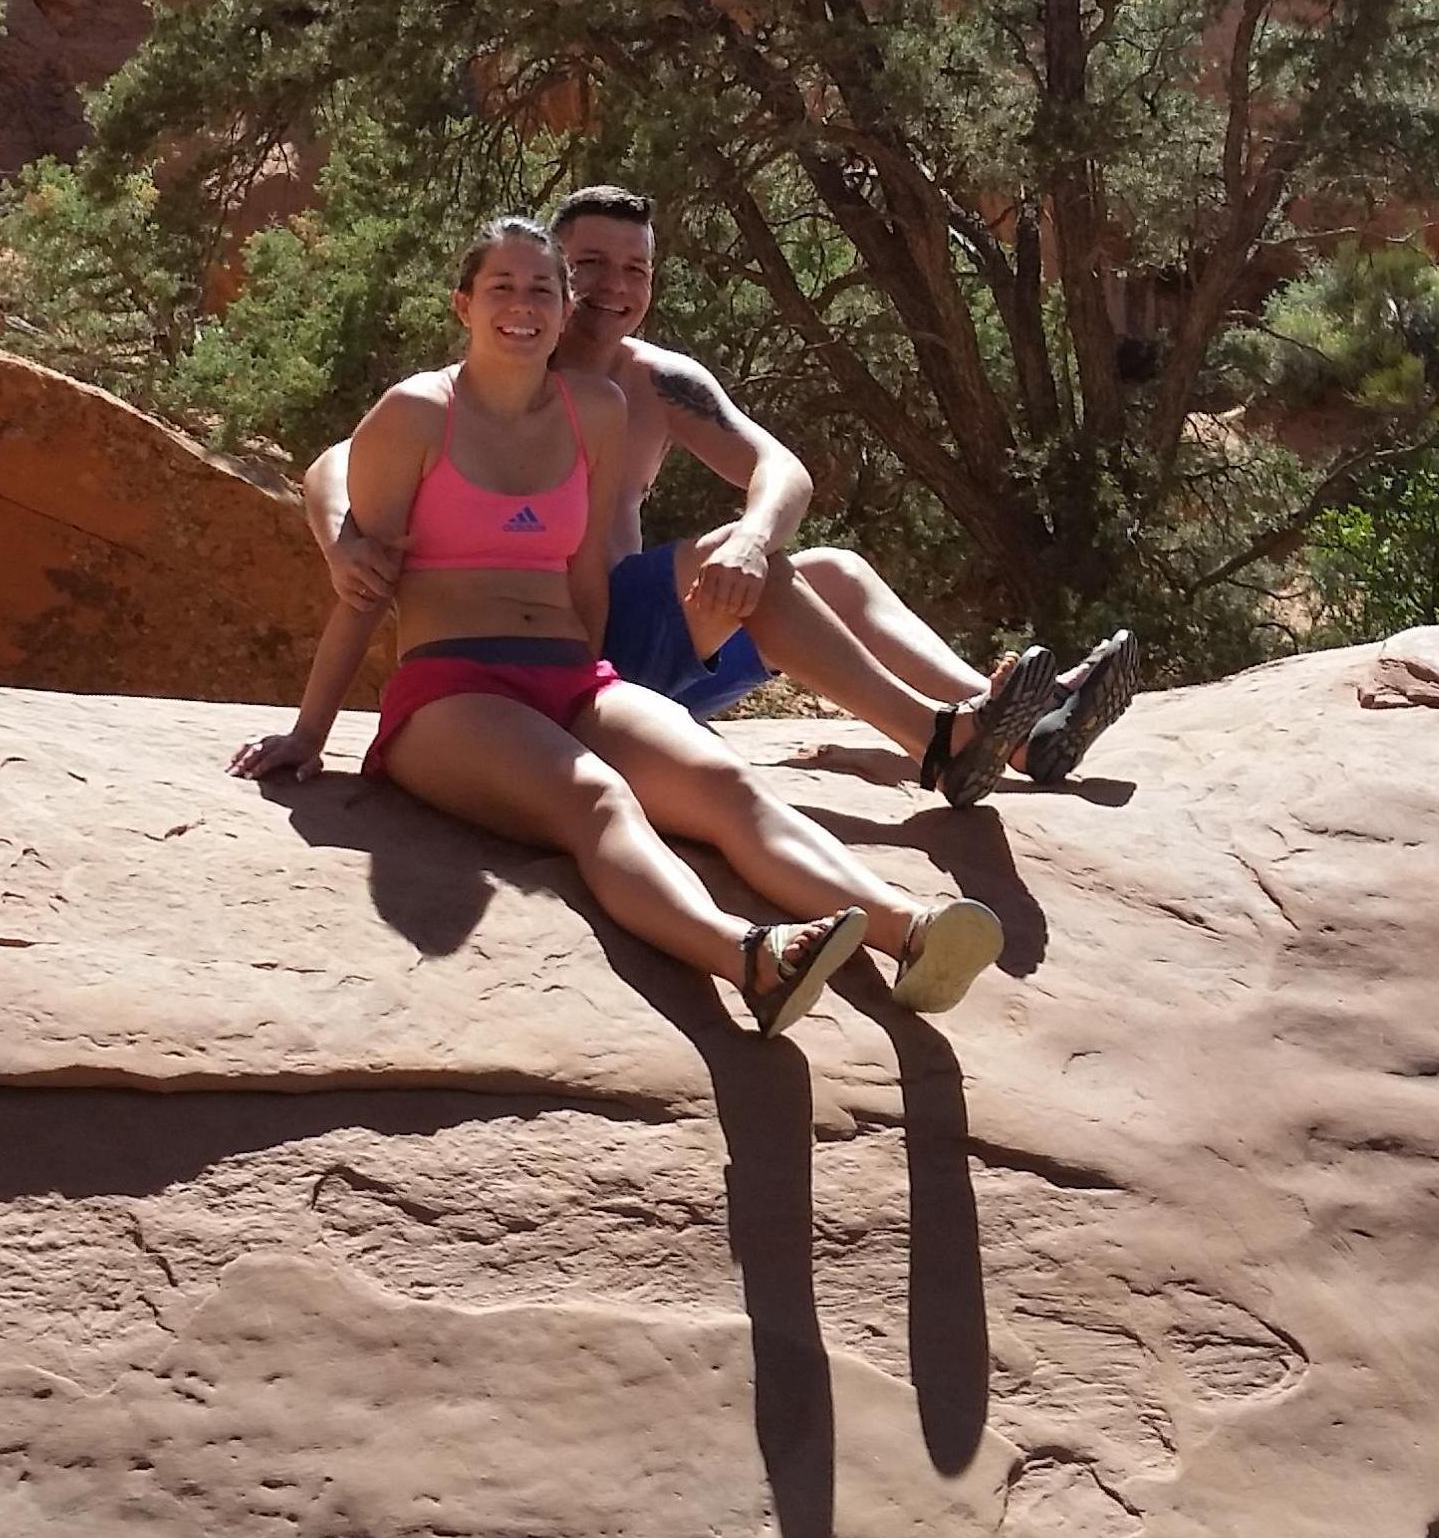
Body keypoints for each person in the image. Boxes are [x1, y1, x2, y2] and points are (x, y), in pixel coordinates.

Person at [231, 216, 1009, 1033]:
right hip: (452, 689)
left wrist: (603, 692)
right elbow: (359, 570)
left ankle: (912, 930)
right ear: (462, 303)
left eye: (542, 290)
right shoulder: (420, 411)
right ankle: (748, 956)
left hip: (569, 671)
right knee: (598, 799)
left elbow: (581, 570)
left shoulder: (595, 410)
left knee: (724, 784)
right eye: (502, 287)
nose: (522, 307)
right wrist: (309, 732)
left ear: (566, 312)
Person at [303, 186, 1142, 802]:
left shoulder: (661, 382)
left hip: (632, 646)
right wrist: (344, 537)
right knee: (761, 572)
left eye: (634, 269)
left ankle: (1018, 729)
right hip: (545, 648)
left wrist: (750, 536)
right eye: (588, 265)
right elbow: (335, 459)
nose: (611, 286)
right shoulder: (504, 365)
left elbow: (784, 471)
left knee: (834, 569)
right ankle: (938, 741)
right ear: (552, 278)